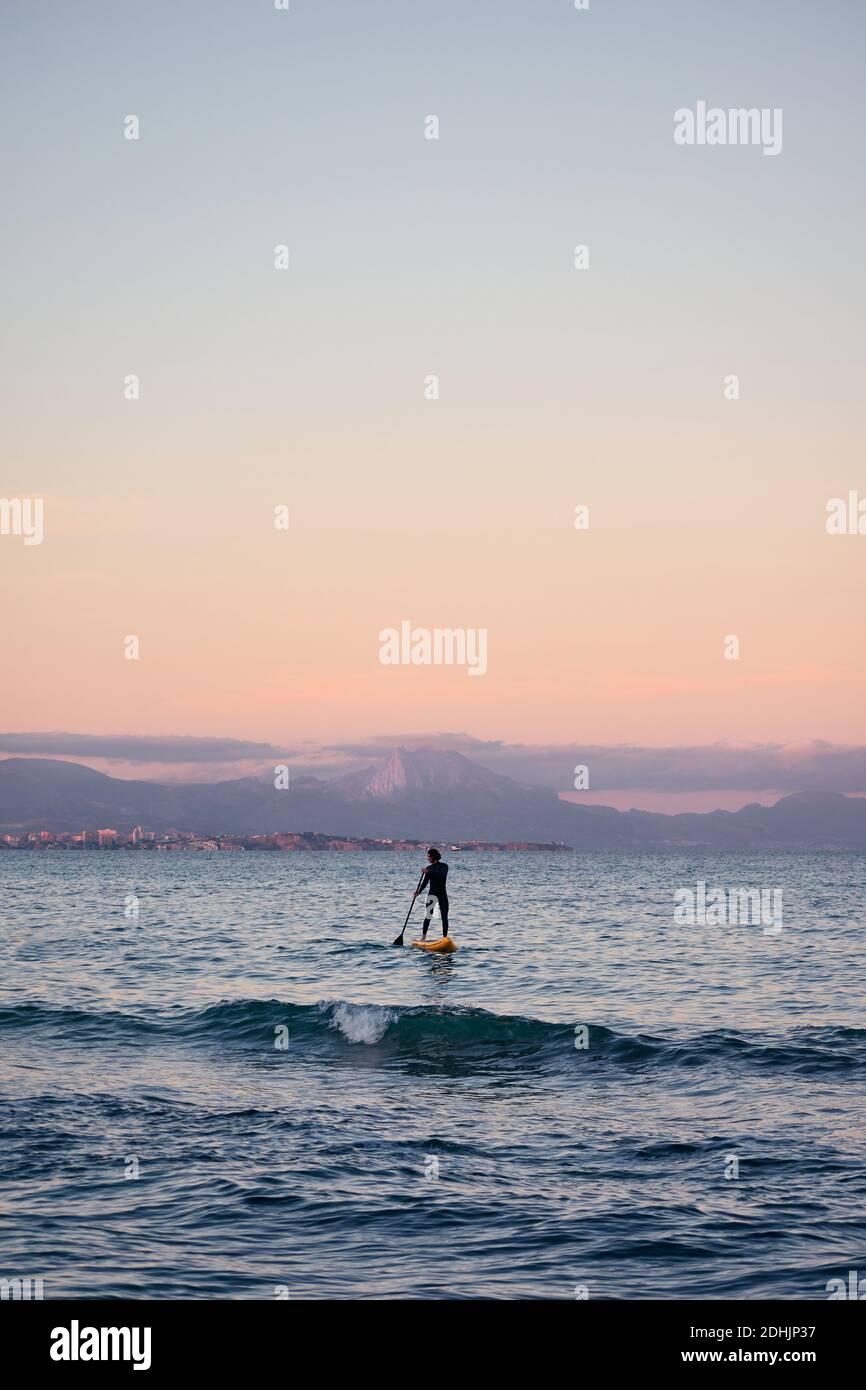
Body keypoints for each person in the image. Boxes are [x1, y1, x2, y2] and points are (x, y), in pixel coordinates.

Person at [414, 847, 450, 940]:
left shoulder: (444, 866)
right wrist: (418, 892)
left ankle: (445, 938)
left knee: (444, 916)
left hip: (442, 895)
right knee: (428, 916)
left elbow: (441, 875)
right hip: (432, 895)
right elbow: (425, 882)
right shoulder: (429, 868)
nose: (428, 858)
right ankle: (423, 937)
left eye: (429, 857)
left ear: (434, 857)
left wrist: (428, 872)